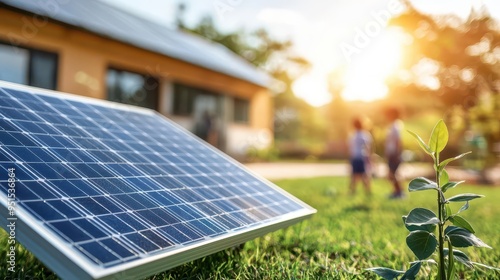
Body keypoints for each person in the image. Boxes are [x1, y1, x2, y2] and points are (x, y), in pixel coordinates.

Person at [348, 117, 373, 195]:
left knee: (354, 176)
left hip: (355, 157)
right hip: (363, 157)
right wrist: (369, 159)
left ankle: (352, 191)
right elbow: (368, 148)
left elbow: (351, 148)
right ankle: (367, 191)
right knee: (365, 176)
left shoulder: (352, 135)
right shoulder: (365, 135)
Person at [384, 107, 404, 199]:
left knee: (392, 173)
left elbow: (398, 141)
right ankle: (397, 191)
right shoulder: (393, 125)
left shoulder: (396, 126)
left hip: (394, 153)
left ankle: (399, 192)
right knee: (392, 174)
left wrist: (397, 153)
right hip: (391, 153)